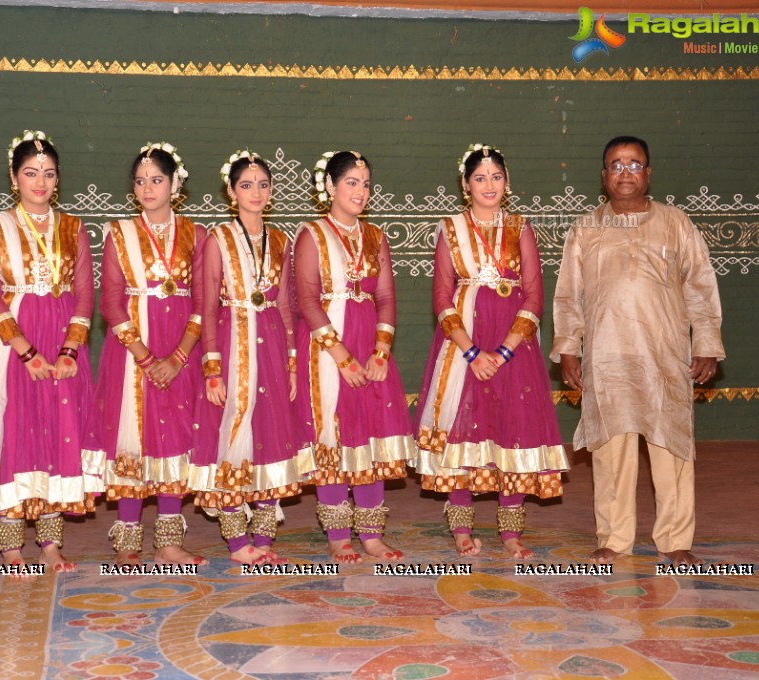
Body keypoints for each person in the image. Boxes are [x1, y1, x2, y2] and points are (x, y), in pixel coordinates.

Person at [551, 135, 724, 568]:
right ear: (603, 176)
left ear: (648, 173)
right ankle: (613, 539)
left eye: (634, 164)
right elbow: (569, 296)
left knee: (673, 449)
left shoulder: (676, 223)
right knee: (610, 449)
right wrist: (569, 349)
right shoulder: (585, 228)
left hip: (665, 355)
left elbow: (701, 288)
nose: (625, 172)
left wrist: (705, 344)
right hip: (607, 357)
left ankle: (675, 539)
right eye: (616, 165)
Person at [413, 144, 570, 559]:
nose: (489, 185)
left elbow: (534, 297)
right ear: (466, 185)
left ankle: (511, 532)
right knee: (462, 431)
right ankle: (462, 528)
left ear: (508, 182)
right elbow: (442, 299)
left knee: (512, 430)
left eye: (496, 177)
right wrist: (472, 353)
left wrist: (502, 352)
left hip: (514, 350)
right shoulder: (450, 229)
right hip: (464, 347)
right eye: (479, 178)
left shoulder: (521, 228)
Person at [0, 131, 96, 574]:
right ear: (14, 177)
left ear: (57, 179)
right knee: (14, 431)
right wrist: (26, 351)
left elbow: (84, 295)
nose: (39, 183)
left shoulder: (73, 226)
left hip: (62, 338)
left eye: (48, 174)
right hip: (15, 340)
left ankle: (50, 544)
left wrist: (69, 351)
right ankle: (10, 547)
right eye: (30, 174)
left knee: (58, 433)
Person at [190, 150, 316, 565]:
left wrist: (292, 362)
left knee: (272, 434)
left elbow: (286, 305)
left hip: (273, 343)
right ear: (231, 191)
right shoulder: (218, 239)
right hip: (231, 343)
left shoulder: (280, 240)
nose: (256, 192)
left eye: (263, 184)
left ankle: (264, 540)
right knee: (230, 434)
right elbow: (207, 304)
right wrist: (211, 368)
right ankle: (236, 541)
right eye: (246, 185)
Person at [86, 142, 207, 566]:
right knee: (132, 436)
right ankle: (127, 541)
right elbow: (112, 303)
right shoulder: (118, 232)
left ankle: (170, 541)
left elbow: (203, 302)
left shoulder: (197, 233)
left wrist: (178, 356)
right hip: (132, 350)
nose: (147, 188)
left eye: (157, 179)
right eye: (140, 181)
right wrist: (144, 355)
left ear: (175, 185)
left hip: (181, 350)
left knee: (176, 435)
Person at [293, 150, 415, 564]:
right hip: (329, 349)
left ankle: (372, 534)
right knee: (335, 434)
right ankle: (338, 535)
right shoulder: (311, 234)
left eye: (365, 183)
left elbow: (385, 297)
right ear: (329, 186)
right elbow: (308, 301)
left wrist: (381, 352)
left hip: (370, 346)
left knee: (372, 435)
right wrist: (343, 358)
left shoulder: (375, 236)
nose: (360, 191)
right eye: (351, 182)